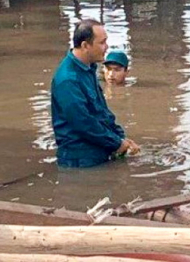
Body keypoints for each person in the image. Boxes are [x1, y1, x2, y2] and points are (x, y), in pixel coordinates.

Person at [51, 19, 139, 168]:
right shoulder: (68, 80)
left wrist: (120, 137)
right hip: (79, 160)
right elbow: (83, 123)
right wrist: (116, 142)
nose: (106, 47)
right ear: (85, 45)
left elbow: (101, 111)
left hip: (97, 153)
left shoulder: (89, 68)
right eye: (102, 42)